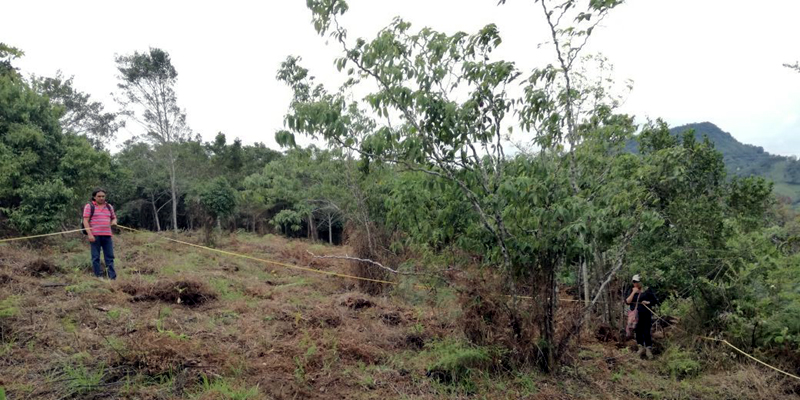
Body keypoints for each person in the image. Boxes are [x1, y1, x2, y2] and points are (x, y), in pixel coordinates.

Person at [83, 189, 118, 280]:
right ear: (94, 197)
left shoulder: (109, 206)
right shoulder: (89, 206)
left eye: (103, 196)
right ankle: (98, 276)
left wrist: (114, 222)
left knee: (109, 257)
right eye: (99, 196)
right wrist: (90, 234)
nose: (101, 198)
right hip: (95, 236)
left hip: (107, 235)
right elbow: (85, 221)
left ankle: (112, 277)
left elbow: (114, 218)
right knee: (95, 257)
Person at [625, 274, 658, 359]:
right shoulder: (631, 290)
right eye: (634, 282)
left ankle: (648, 348)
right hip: (635, 315)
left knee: (646, 331)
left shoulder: (647, 290)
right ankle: (640, 347)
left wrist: (648, 302)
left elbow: (655, 301)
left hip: (646, 314)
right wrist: (633, 292)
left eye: (637, 282)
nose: (636, 283)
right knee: (638, 331)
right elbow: (627, 301)